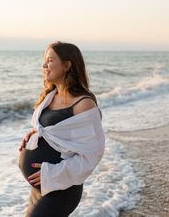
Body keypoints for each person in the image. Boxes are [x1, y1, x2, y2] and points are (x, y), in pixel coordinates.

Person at [18, 41, 105, 217]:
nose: (44, 65)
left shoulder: (84, 104)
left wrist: (53, 174)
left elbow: (92, 154)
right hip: (41, 188)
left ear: (67, 65)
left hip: (61, 189)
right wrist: (37, 136)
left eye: (50, 60)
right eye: (45, 60)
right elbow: (59, 133)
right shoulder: (50, 96)